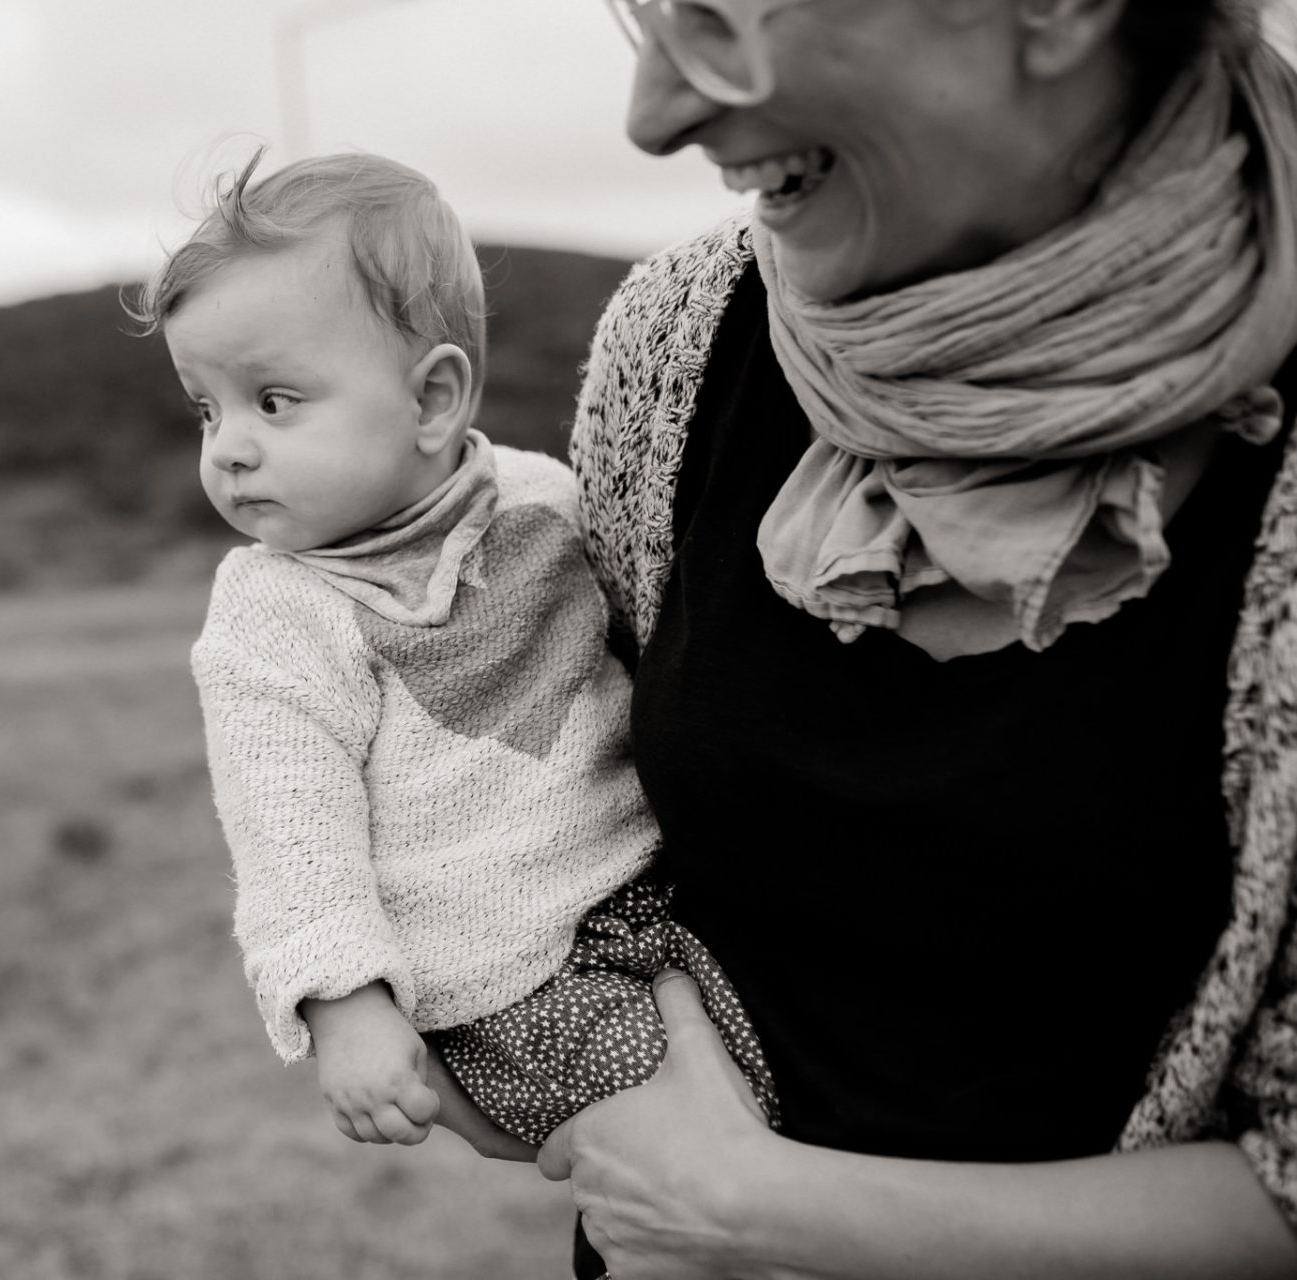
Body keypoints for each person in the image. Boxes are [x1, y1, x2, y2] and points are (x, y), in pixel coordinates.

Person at [425, 0, 1297, 1275]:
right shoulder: (677, 339)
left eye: (718, 19)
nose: (653, 111)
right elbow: (589, 814)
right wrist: (557, 1047)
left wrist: (749, 1202)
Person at [127, 150, 776, 1153]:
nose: (230, 447)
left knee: (798, 1079)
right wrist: (347, 1004)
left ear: (432, 402)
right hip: (503, 974)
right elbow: (290, 833)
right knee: (684, 1164)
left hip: (661, 896)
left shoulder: (540, 498)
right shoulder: (275, 612)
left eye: (273, 400)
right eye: (205, 408)